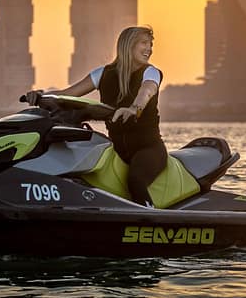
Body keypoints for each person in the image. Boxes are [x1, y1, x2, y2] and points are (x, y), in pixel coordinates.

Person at [24, 25, 166, 207]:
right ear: (128, 45)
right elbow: (67, 94)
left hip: (149, 149)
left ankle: (149, 220)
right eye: (144, 43)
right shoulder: (103, 74)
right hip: (116, 150)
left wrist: (134, 108)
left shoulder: (150, 72)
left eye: (151, 44)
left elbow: (146, 91)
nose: (149, 49)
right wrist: (41, 95)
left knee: (136, 181)